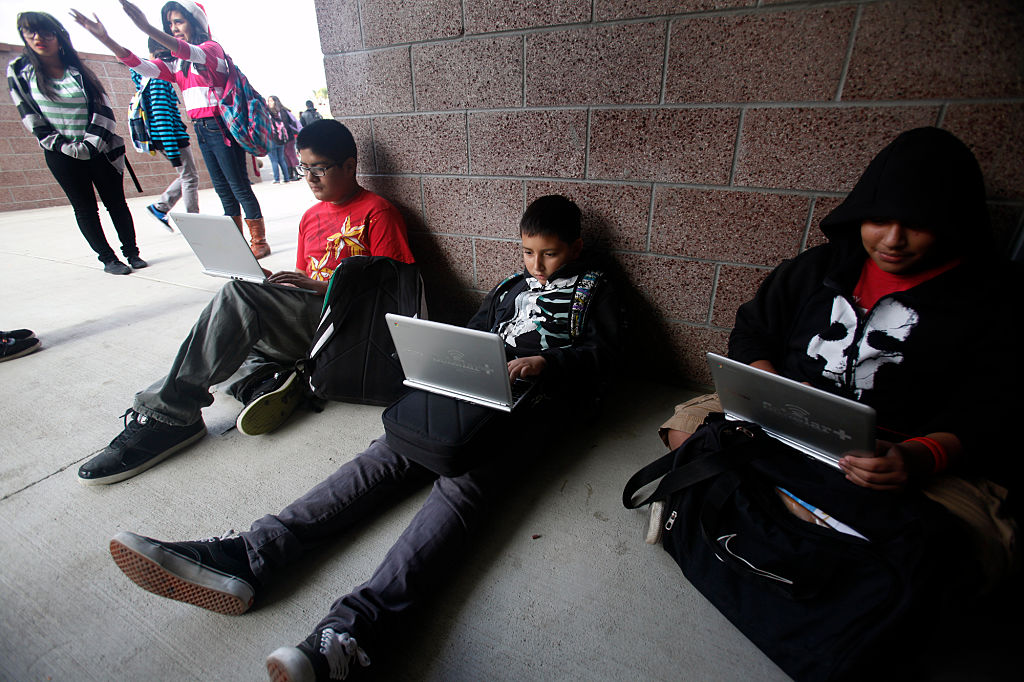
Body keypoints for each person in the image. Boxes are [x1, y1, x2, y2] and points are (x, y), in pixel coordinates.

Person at [105, 195, 625, 681]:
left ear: (575, 248)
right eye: (529, 252)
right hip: (477, 391)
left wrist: (547, 362)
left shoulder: (596, 290)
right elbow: (474, 331)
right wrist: (454, 358)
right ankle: (252, 554)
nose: (537, 265)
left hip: (540, 405)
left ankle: (355, 634)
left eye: (550, 255)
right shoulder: (512, 285)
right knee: (387, 454)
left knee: (462, 486)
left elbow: (608, 359)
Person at [660, 127, 1019, 586]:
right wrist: (772, 387)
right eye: (880, 219)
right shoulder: (818, 268)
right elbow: (754, 331)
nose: (893, 239)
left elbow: (995, 407)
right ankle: (810, 517)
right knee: (684, 425)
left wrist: (917, 457)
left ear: (952, 224)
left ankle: (774, 507)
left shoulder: (991, 299)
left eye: (917, 223)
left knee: (973, 550)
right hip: (785, 422)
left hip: (891, 455)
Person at [77, 119, 415, 486]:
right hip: (310, 318)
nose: (310, 178)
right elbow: (304, 278)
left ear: (350, 166)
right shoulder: (311, 217)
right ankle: (264, 384)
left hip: (345, 328)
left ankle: (171, 414)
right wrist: (273, 284)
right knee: (227, 329)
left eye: (320, 168)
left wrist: (318, 288)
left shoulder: (376, 211)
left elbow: (394, 294)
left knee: (235, 307)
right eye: (304, 168)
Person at [73, 1, 273, 259]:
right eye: (170, 24)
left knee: (239, 186)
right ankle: (239, 244)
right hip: (202, 129)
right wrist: (106, 39)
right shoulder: (179, 65)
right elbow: (141, 66)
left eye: (179, 21)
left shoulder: (210, 49)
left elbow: (189, 51)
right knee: (223, 190)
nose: (174, 28)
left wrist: (146, 26)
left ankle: (259, 241)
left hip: (220, 127)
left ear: (195, 22)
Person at [8, 12, 145, 276]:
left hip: (100, 148)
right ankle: (108, 259)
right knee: (84, 207)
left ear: (58, 36)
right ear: (23, 36)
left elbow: (102, 107)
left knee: (116, 203)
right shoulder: (20, 71)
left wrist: (89, 145)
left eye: (47, 32)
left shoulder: (78, 70)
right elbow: (29, 114)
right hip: (60, 152)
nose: (39, 38)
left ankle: (132, 252)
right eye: (31, 32)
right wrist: (64, 146)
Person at [130, 37, 200, 230]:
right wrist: (172, 149)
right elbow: (161, 115)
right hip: (171, 136)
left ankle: (160, 207)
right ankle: (194, 223)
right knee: (189, 177)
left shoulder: (145, 77)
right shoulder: (157, 77)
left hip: (165, 137)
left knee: (188, 175)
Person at [267, 95, 295, 184]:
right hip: (281, 139)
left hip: (271, 139)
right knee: (282, 159)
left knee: (274, 160)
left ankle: (277, 179)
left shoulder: (268, 114)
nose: (269, 103)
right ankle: (286, 178)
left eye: (270, 101)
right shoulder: (282, 112)